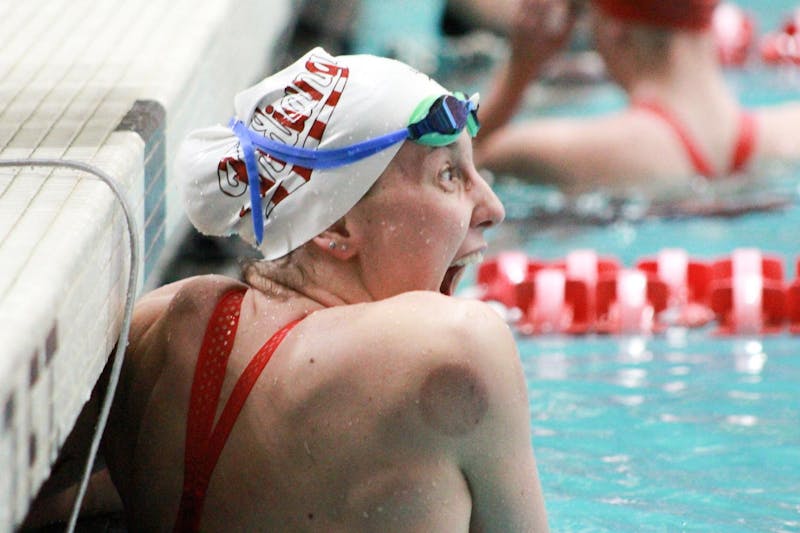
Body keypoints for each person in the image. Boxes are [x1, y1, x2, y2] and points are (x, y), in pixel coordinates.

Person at [27, 47, 549, 532]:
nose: (493, 207)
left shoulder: (151, 335)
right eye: (449, 175)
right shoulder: (456, 347)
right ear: (336, 226)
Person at [473, 0, 800, 196]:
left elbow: (458, 170)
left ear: (613, 29)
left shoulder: (538, 150)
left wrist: (517, 74)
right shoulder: (792, 130)